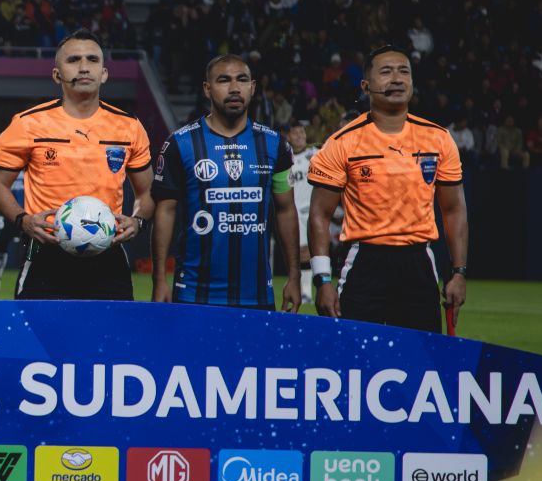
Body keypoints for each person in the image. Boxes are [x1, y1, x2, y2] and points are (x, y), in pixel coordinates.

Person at [307, 45, 468, 333]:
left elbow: (454, 210)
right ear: (366, 86)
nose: (396, 78)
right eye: (386, 71)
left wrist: (458, 272)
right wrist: (322, 280)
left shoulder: (439, 139)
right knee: (355, 364)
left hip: (418, 262)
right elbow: (319, 213)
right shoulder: (342, 142)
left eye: (404, 71)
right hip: (363, 263)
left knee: (420, 366)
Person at [0, 29, 155, 299]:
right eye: (73, 60)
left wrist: (137, 221)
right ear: (57, 74)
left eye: (92, 60)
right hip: (46, 249)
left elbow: (147, 192)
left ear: (104, 73)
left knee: (110, 338)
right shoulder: (27, 123)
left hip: (107, 251)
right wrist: (23, 221)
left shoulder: (129, 127)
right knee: (41, 339)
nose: (84, 67)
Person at [151, 54, 301, 311]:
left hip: (257, 295)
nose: (234, 88)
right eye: (224, 80)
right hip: (194, 295)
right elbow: (165, 211)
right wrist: (159, 279)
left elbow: (286, 209)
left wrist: (295, 276)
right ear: (207, 89)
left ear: (252, 88)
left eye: (242, 80)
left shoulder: (275, 144)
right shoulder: (180, 143)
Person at [285, 122, 319, 302]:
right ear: (288, 137)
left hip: (311, 211)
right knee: (297, 253)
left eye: (301, 132)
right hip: (293, 212)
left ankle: (307, 292)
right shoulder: (287, 158)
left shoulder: (315, 155)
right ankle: (304, 291)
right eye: (295, 133)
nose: (299, 136)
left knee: (306, 251)